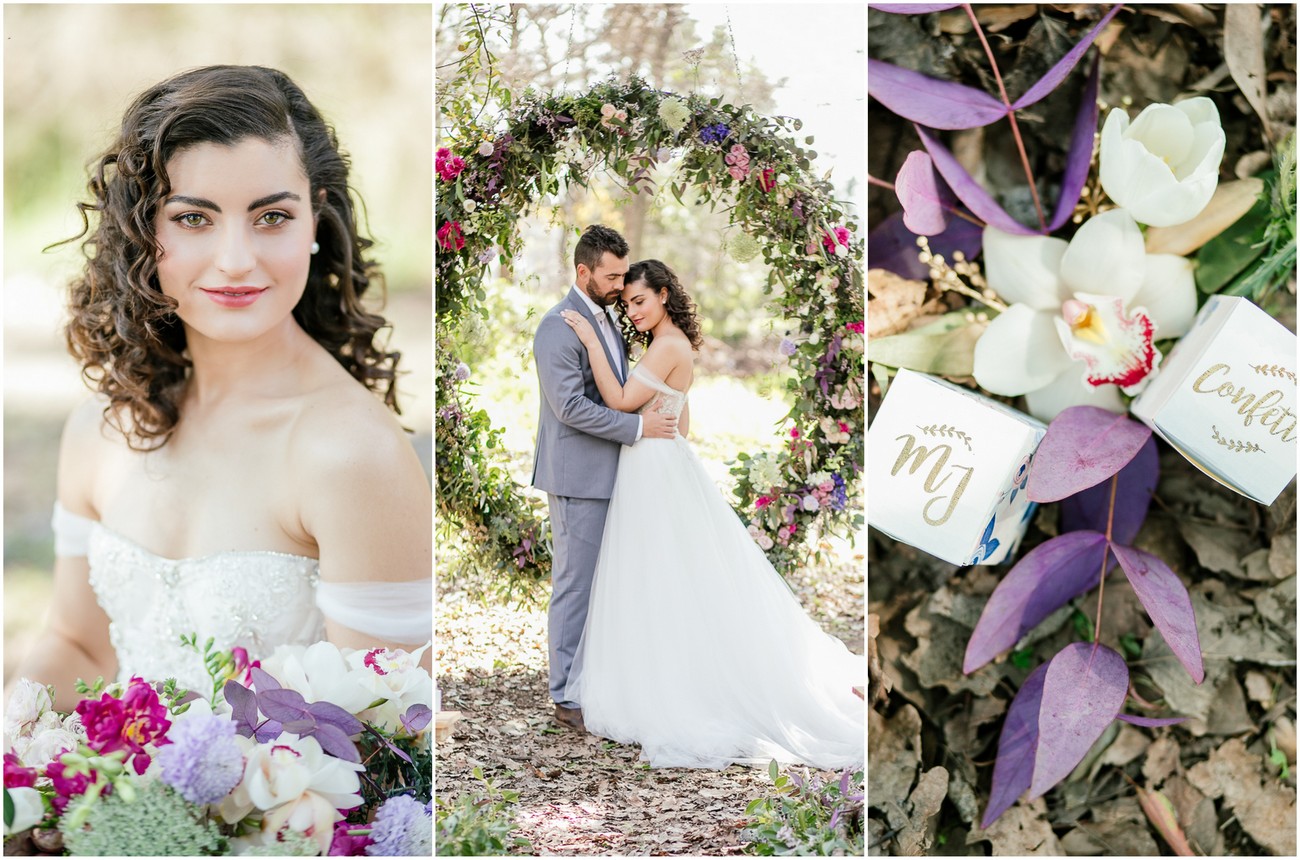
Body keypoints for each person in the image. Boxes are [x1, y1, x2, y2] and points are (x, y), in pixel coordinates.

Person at [14, 65, 432, 709]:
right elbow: (79, 646)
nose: (236, 260)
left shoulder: (354, 455)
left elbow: (387, 742)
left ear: (315, 221)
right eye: (193, 218)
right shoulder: (99, 428)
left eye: (270, 217)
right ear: (142, 230)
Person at [557, 258, 863, 770]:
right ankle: (655, 670)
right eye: (627, 303)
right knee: (659, 571)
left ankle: (671, 682)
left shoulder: (669, 345)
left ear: (662, 294)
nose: (632, 312)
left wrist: (591, 342)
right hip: (657, 458)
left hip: (653, 465)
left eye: (639, 301)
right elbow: (684, 421)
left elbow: (619, 397)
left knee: (659, 571)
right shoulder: (670, 345)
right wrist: (663, 423)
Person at [531, 225, 679, 733]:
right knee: (575, 584)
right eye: (612, 276)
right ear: (583, 272)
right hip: (577, 474)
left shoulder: (606, 321)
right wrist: (639, 427)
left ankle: (592, 681)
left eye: (624, 276)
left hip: (613, 472)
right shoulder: (557, 327)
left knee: (603, 584)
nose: (619, 286)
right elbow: (569, 406)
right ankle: (566, 694)